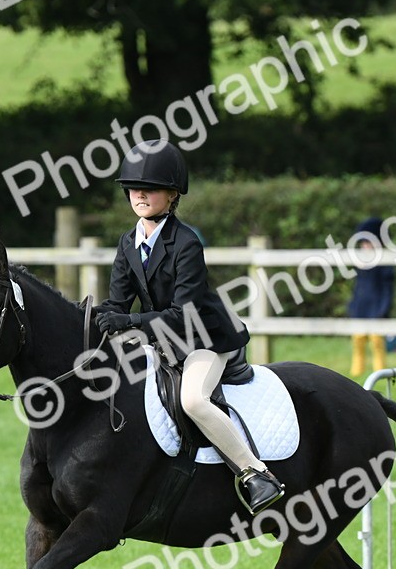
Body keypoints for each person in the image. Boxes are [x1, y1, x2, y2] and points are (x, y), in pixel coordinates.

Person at [94, 140, 283, 513]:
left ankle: (256, 474)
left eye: (151, 188)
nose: (140, 194)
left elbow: (184, 314)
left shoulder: (186, 242)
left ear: (173, 194)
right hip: (164, 339)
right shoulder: (128, 243)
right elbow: (116, 303)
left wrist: (130, 322)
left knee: (193, 399)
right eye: (133, 187)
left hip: (205, 338)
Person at [346, 217, 395, 377]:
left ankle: (380, 371)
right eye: (363, 243)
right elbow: (357, 287)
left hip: (376, 307)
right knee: (358, 341)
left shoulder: (385, 263)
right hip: (361, 307)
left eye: (369, 242)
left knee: (377, 342)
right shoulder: (360, 263)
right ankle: (356, 371)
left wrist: (384, 308)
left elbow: (388, 289)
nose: (365, 247)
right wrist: (353, 306)